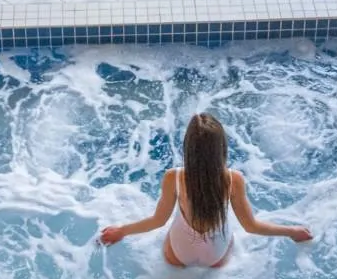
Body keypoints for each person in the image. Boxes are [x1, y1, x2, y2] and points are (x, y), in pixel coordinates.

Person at [98, 112, 313, 268]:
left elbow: (158, 221)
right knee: (229, 238)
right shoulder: (233, 179)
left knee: (171, 234)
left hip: (179, 252)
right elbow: (251, 226)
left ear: (188, 148)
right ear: (221, 148)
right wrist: (292, 231)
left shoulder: (174, 177)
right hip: (215, 254)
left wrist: (121, 231)